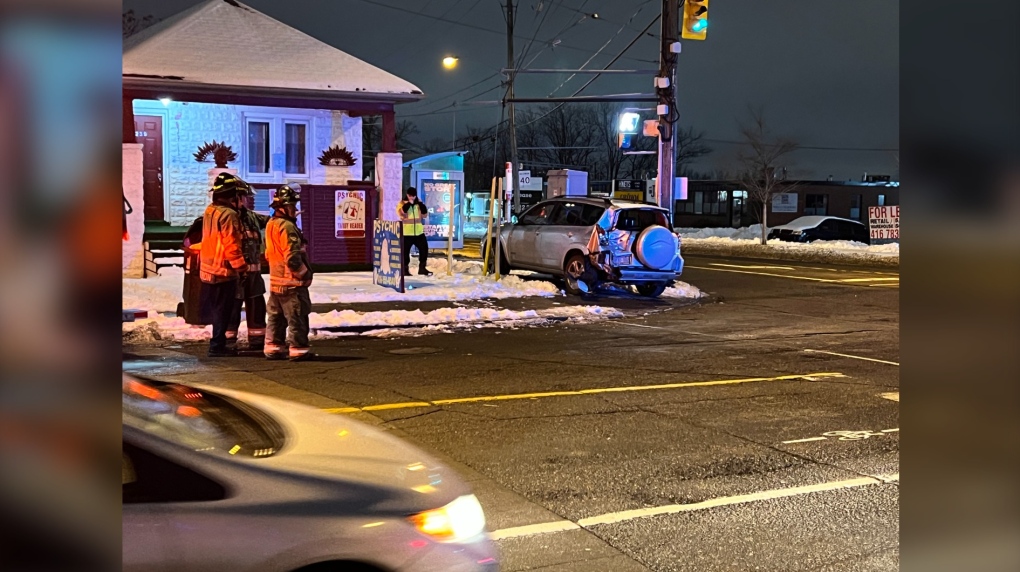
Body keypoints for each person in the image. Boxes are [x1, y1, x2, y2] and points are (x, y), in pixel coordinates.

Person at [264, 185, 314, 361]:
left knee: (275, 318)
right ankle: (298, 349)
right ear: (283, 207)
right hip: (292, 283)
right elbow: (292, 257)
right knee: (297, 317)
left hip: (276, 282)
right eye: (292, 206)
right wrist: (304, 274)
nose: (295, 209)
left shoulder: (271, 224)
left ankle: (273, 347)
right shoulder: (287, 227)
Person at [199, 173, 247, 357]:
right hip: (223, 271)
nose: (241, 201)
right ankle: (217, 346)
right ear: (232, 196)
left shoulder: (211, 210)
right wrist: (241, 268)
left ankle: (217, 343)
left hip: (208, 269)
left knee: (216, 310)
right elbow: (232, 245)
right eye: (239, 197)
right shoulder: (229, 215)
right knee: (222, 311)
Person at [226, 179, 270, 352]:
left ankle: (258, 341)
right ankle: (227, 342)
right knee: (231, 310)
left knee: (257, 309)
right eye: (243, 197)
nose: (246, 200)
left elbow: (269, 221)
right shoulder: (225, 217)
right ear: (234, 198)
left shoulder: (251, 216)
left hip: (253, 275)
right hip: (234, 274)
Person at [397, 187, 433, 276]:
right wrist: (409, 204)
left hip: (418, 232)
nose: (412, 197)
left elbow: (424, 215)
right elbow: (401, 214)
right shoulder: (402, 203)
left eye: (413, 196)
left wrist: (421, 204)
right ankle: (405, 269)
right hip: (407, 233)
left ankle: (422, 268)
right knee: (405, 252)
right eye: (410, 196)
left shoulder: (418, 204)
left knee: (424, 249)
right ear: (407, 195)